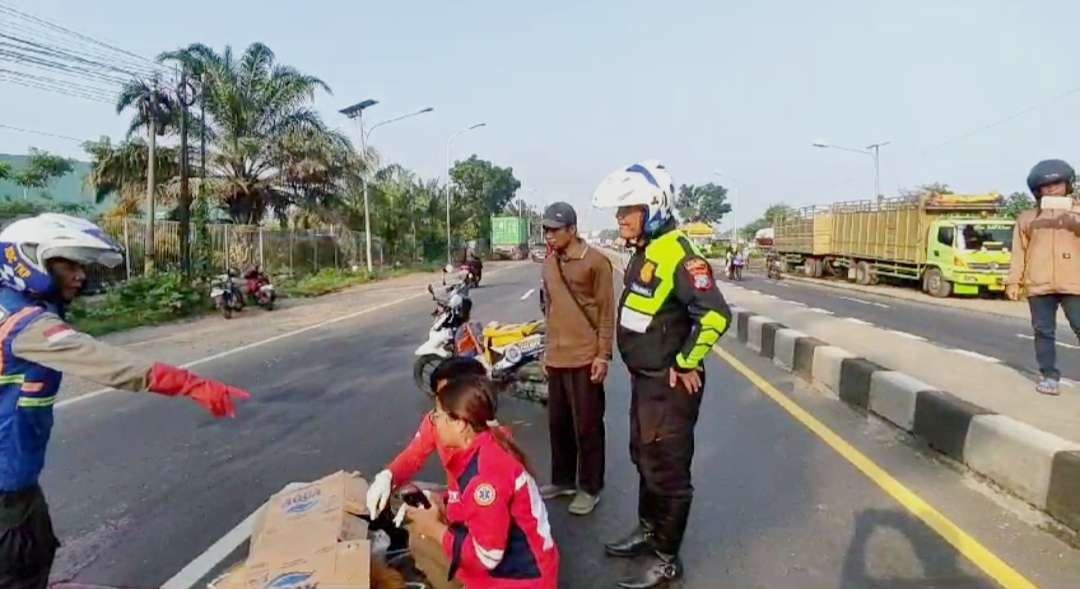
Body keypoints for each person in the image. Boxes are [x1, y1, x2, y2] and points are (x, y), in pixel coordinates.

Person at [0, 213, 251, 588]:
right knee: (19, 567)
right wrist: (191, 384)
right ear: (28, 260)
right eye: (68, 264)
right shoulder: (23, 324)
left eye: (81, 266)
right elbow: (110, 364)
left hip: (18, 477)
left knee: (37, 550)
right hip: (6, 482)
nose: (80, 275)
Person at [592, 161, 731, 588]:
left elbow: (715, 316)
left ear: (653, 207)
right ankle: (649, 532)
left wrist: (686, 361)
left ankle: (668, 559)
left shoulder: (681, 255)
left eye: (627, 210)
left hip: (670, 388)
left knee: (668, 471)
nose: (619, 218)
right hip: (645, 382)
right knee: (644, 458)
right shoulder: (644, 252)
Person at [404, 375, 559, 589]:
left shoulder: (486, 477)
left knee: (422, 537)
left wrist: (433, 528)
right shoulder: (481, 447)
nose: (433, 422)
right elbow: (472, 507)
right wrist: (444, 504)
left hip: (520, 579)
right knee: (421, 535)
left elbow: (487, 556)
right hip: (522, 567)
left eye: (437, 416)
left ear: (459, 423)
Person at [538, 202, 614, 516]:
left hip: (585, 357)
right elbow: (550, 310)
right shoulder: (548, 263)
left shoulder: (595, 262)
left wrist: (603, 355)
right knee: (558, 425)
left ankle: (590, 487)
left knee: (588, 427)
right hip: (557, 357)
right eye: (546, 230)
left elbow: (607, 312)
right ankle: (563, 480)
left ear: (572, 229)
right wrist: (546, 350)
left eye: (555, 230)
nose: (549, 236)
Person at [366, 356, 490, 516]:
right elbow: (413, 455)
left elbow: (487, 532)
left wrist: (434, 521)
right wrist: (389, 475)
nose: (435, 413)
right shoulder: (437, 421)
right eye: (439, 399)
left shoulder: (491, 455)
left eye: (448, 398)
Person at [1006, 159, 1080, 396]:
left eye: (1057, 184)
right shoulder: (1027, 218)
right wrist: (1013, 281)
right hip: (1038, 284)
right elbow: (1019, 252)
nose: (1051, 190)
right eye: (1045, 187)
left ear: (1068, 185)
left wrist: (1073, 212)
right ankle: (1049, 376)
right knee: (1043, 331)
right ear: (1037, 191)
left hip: (1074, 282)